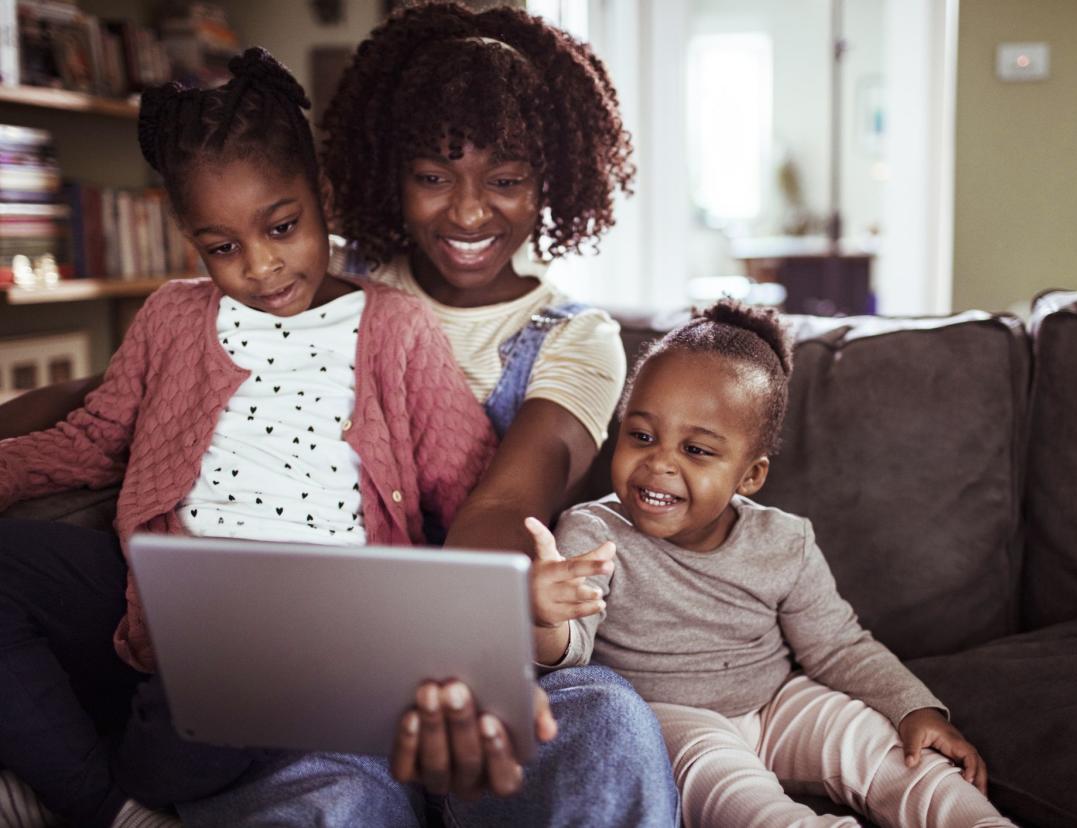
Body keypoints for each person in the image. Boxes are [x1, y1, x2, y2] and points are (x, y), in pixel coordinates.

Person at [0, 4, 678, 826]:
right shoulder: (308, 273)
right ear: (386, 174)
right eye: (433, 176)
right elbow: (117, 403)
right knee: (322, 791)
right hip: (273, 635)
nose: (467, 214)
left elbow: (500, 499)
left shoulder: (565, 337)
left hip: (455, 625)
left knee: (606, 723)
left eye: (505, 179)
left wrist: (455, 649)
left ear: (553, 179)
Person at [0, 48, 498, 828]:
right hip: (169, 593)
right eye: (222, 248)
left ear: (321, 194)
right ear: (190, 239)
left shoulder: (394, 329)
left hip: (316, 615)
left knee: (184, 736)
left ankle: (126, 759)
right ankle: (107, 806)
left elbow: (467, 488)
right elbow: (94, 438)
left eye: (282, 228)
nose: (261, 267)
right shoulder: (172, 315)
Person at [529, 300, 1019, 827]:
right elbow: (570, 656)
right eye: (642, 435)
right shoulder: (593, 532)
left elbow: (839, 646)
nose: (660, 462)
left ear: (750, 475)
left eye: (696, 450)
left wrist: (912, 708)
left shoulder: (784, 541)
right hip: (673, 721)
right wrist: (546, 617)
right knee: (739, 795)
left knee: (887, 751)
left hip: (778, 702)